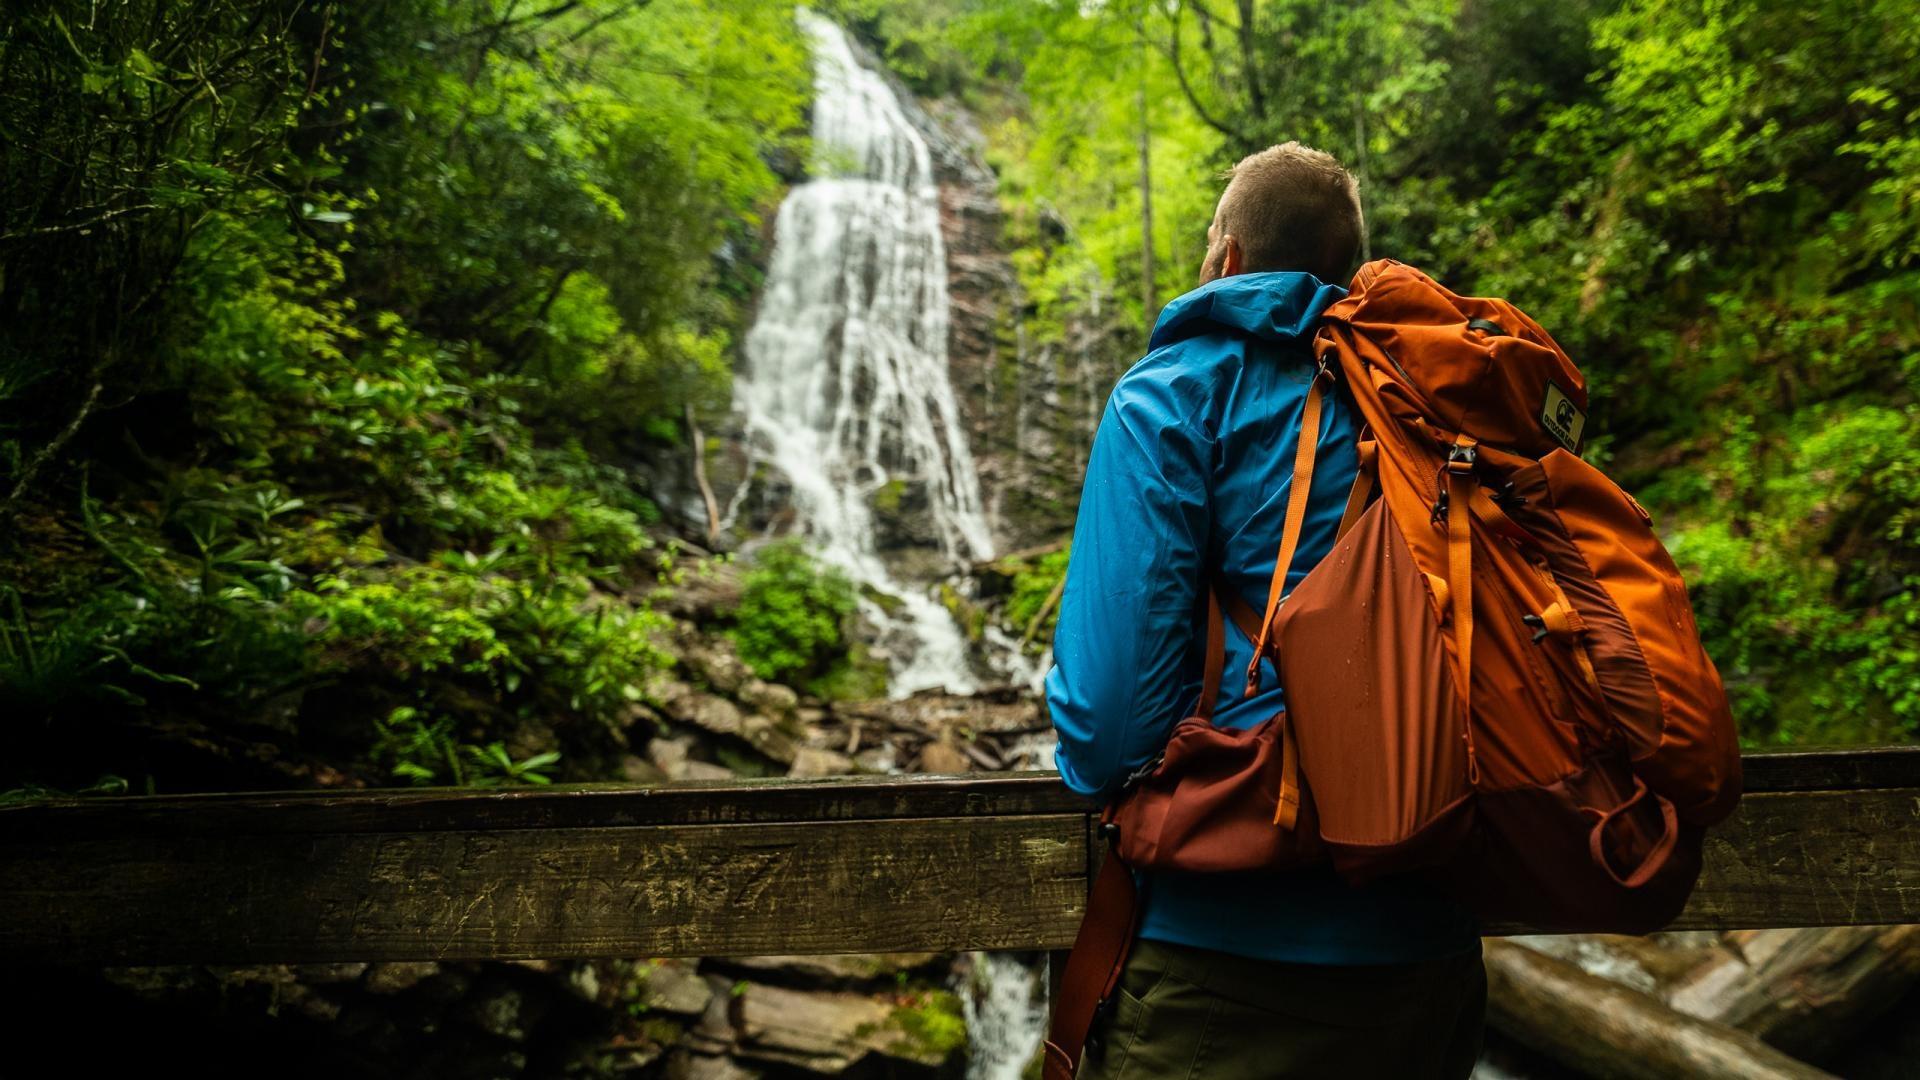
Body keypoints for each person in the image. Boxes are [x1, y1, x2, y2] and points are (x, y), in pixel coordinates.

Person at [1044, 142, 1486, 1079]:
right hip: (1435, 952)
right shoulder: (1434, 403)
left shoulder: (1174, 396)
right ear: (1348, 270)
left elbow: (1108, 723)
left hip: (1230, 960)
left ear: (1228, 258)